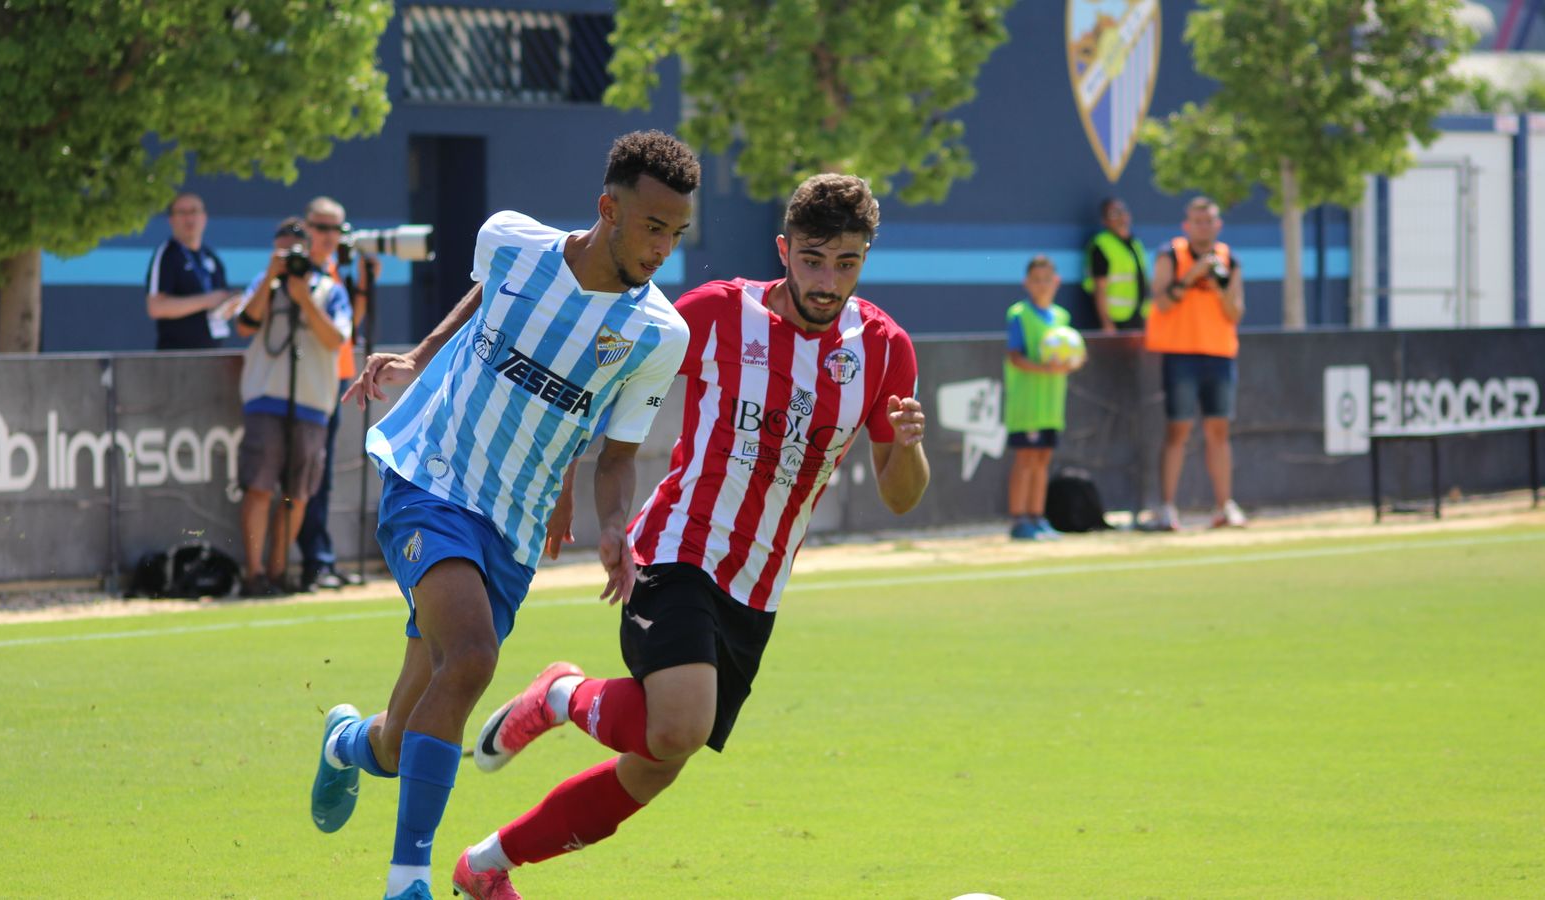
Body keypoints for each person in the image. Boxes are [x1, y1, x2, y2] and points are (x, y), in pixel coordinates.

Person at [450, 173, 931, 900]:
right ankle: (561, 697)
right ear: (783, 250)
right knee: (678, 726)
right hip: (678, 548)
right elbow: (605, 386)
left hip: (759, 588)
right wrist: (569, 484)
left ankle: (486, 866)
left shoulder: (885, 349)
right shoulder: (715, 312)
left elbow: (900, 495)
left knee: (654, 764)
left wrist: (911, 446)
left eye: (846, 263)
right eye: (812, 260)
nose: (827, 281)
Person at [314, 131, 701, 900]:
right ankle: (407, 882)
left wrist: (614, 525)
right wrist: (420, 355)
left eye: (677, 233)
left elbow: (617, 456)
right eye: (653, 227)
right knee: (473, 658)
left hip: (513, 528)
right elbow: (488, 296)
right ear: (608, 209)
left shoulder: (660, 333)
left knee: (400, 739)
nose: (664, 248)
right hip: (430, 477)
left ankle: (347, 744)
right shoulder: (511, 240)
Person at [231, 217, 353, 595]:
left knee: (296, 494)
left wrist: (304, 299)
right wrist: (271, 277)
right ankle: (254, 575)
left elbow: (336, 339)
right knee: (258, 486)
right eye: (282, 251)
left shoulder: (330, 289)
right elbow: (244, 325)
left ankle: (279, 572)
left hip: (311, 402)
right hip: (265, 397)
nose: (289, 258)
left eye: (295, 251)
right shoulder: (263, 284)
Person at [1143, 196, 1247, 530]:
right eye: (1197, 221)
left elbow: (1235, 312)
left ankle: (1224, 507)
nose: (1204, 227)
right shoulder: (1170, 255)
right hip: (1181, 353)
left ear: (1218, 225)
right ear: (1186, 225)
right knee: (1179, 429)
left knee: (1219, 430)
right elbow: (1161, 303)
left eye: (1209, 221)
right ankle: (1167, 508)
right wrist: (1192, 275)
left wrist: (1219, 286)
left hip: (1219, 353)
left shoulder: (1229, 260)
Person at [295, 195, 376, 592]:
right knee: (309, 475)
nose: (329, 236)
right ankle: (313, 561)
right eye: (321, 227)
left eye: (337, 229)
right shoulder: (301, 271)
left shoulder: (334, 271)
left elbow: (350, 328)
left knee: (322, 474)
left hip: (336, 377)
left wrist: (364, 282)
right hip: (309, 380)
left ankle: (322, 559)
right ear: (307, 228)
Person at [1004, 255, 1083, 540]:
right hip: (1027, 404)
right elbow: (1015, 357)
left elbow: (1072, 356)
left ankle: (1037, 517)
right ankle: (1019, 519)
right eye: (1036, 280)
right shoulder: (1019, 314)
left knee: (1043, 460)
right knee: (1025, 459)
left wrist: (1073, 362)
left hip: (1051, 404)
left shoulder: (1062, 318)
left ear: (1056, 282)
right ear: (1027, 283)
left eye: (1047, 279)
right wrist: (1045, 368)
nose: (1042, 285)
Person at [144, 192, 240, 350]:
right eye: (182, 212)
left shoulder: (212, 258)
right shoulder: (167, 255)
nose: (189, 218)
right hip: (177, 355)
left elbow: (222, 309)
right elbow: (156, 307)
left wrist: (231, 303)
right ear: (171, 220)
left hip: (214, 353)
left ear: (204, 218)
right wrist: (207, 300)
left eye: (194, 211)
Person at [1082, 197, 1150, 333]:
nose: (1120, 217)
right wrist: (1107, 323)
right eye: (1113, 214)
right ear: (1105, 221)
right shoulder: (1101, 245)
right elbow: (1099, 288)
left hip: (1138, 317)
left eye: (1122, 211)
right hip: (1116, 320)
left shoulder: (1136, 244)